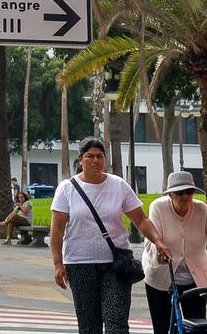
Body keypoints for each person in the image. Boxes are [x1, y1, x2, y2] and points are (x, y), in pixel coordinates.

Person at [50, 137, 172, 334]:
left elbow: (141, 220)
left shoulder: (119, 185)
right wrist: (58, 264)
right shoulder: (67, 188)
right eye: (90, 156)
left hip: (116, 265)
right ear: (80, 160)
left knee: (117, 322)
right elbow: (56, 230)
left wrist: (158, 241)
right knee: (89, 326)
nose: (95, 160)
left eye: (100, 156)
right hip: (79, 264)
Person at [143, 172, 207, 334]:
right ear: (170, 195)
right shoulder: (158, 207)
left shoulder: (202, 209)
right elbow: (151, 241)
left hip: (195, 278)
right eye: (180, 193)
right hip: (161, 277)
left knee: (196, 327)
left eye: (189, 192)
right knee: (163, 328)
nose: (185, 196)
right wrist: (159, 252)